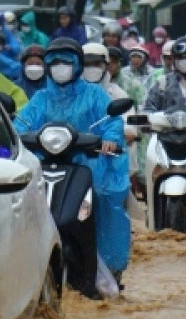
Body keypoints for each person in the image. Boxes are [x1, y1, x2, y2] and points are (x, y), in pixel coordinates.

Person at [14, 38, 130, 286]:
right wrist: (13, 137)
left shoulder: (95, 95)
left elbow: (111, 121)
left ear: (77, 64)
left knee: (102, 200)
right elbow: (21, 124)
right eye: (54, 62)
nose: (60, 66)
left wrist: (109, 139)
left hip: (88, 165)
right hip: (47, 165)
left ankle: (108, 265)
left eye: (66, 61)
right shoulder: (41, 98)